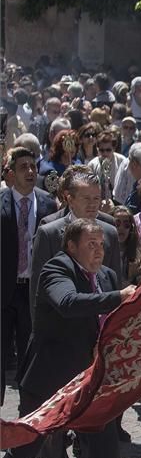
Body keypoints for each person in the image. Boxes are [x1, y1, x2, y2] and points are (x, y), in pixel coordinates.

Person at [0, 219, 139, 458]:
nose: (98, 250)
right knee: (22, 454)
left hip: (89, 384)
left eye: (102, 245)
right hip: (49, 383)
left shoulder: (105, 276)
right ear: (72, 247)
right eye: (90, 244)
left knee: (106, 453)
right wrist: (118, 297)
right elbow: (69, 303)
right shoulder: (56, 270)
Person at [1, 148, 57, 403]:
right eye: (23, 167)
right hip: (4, 289)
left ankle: (27, 416)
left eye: (33, 166)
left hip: (33, 291)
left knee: (29, 356)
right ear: (11, 174)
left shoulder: (47, 203)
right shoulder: (1, 202)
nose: (30, 171)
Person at [31, 167, 122, 315]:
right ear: (70, 200)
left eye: (96, 198)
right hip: (62, 324)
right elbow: (36, 288)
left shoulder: (110, 231)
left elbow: (114, 282)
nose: (92, 204)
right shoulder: (49, 233)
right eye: (86, 198)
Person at [111, 205, 141, 286]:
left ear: (131, 228)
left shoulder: (140, 254)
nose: (121, 228)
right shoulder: (102, 251)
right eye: (117, 223)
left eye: (126, 224)